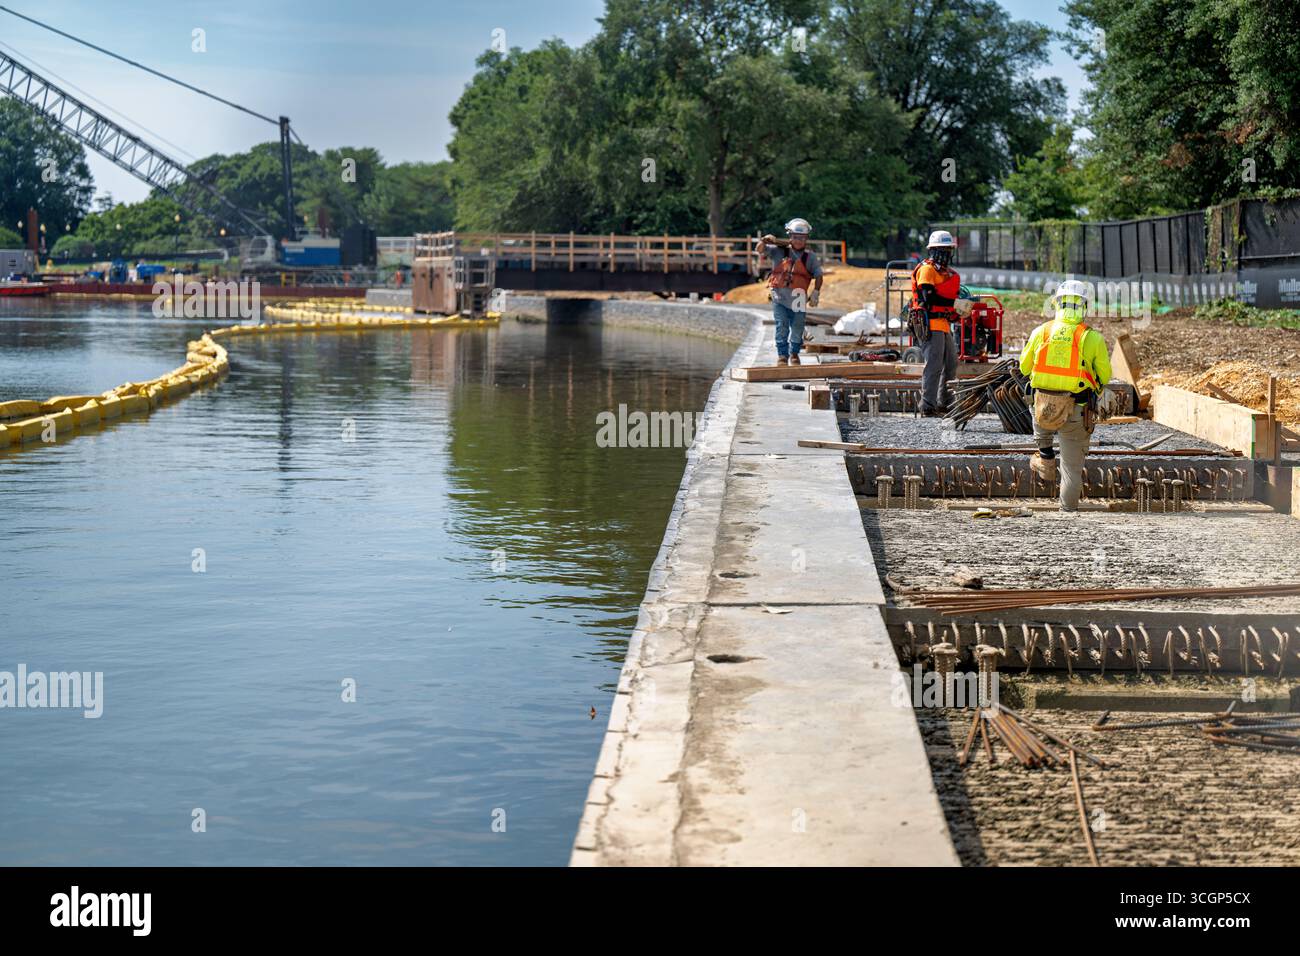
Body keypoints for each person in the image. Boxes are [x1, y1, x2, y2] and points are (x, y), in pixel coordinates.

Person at [1019, 279, 1113, 512]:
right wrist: (1094, 387)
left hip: (1041, 410)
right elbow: (1105, 375)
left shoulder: (1041, 331)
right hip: (1076, 410)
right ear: (1084, 306)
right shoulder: (1091, 338)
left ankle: (1045, 454)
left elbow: (1023, 368)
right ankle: (1067, 514)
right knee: (1071, 470)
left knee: (1042, 431)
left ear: (1057, 304)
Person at [757, 218, 824, 366]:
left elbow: (818, 275)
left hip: (798, 296)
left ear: (806, 238)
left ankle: (794, 354)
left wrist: (816, 292)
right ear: (790, 236)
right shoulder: (778, 251)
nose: (798, 241)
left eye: (802, 238)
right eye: (795, 237)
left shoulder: (810, 257)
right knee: (782, 325)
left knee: (797, 327)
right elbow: (760, 250)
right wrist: (764, 240)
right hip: (779, 295)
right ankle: (782, 355)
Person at [910, 230, 961, 415]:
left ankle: (945, 403)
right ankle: (928, 406)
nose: (947, 253)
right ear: (934, 250)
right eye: (944, 249)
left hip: (943, 324)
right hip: (929, 324)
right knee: (934, 365)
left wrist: (957, 309)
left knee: (951, 364)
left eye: (949, 249)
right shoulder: (927, 270)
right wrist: (954, 304)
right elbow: (927, 297)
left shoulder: (946, 273)